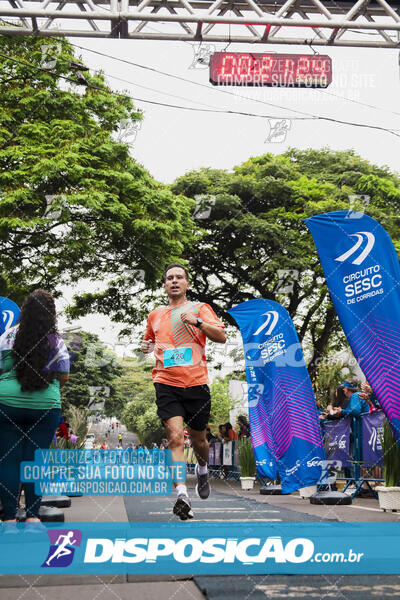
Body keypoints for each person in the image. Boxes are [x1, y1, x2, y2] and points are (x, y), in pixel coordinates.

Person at [141, 263, 226, 520]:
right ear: (165, 285)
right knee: (175, 438)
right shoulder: (155, 314)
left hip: (196, 383)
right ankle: (181, 494)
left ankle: (202, 468)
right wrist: (146, 346)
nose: (174, 281)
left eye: (179, 277)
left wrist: (199, 323)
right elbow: (148, 341)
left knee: (199, 441)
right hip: (166, 382)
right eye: (170, 278)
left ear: (187, 284)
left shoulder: (199, 308)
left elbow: (221, 336)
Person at [0, 289, 70, 532]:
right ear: (50, 315)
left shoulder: (7, 335)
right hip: (44, 406)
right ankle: (32, 518)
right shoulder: (56, 341)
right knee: (35, 462)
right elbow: (63, 376)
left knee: (8, 461)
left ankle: (8, 520)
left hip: (6, 403)